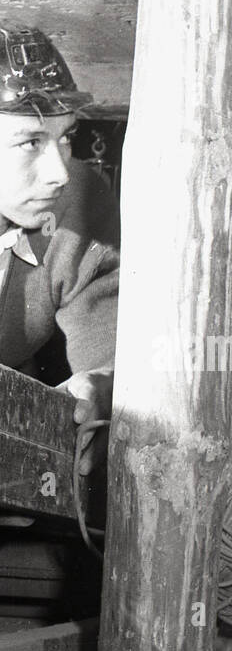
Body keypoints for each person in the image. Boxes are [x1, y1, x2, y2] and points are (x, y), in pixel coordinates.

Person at [0, 25, 118, 478]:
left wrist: (100, 388)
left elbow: (108, 348)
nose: (59, 172)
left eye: (65, 137)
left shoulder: (76, 200)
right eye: (30, 142)